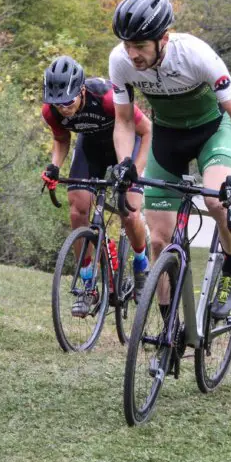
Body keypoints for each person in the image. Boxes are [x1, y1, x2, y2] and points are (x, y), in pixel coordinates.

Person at [109, 0, 231, 322]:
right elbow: (123, 120)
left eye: (141, 46)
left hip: (211, 134)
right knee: (159, 241)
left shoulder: (195, 54)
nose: (132, 54)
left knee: (218, 203)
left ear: (163, 38)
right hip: (168, 140)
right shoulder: (120, 60)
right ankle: (168, 327)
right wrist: (125, 163)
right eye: (127, 45)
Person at [39, 56, 152, 317]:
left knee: (130, 211)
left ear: (81, 90)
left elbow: (147, 131)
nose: (64, 109)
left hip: (127, 145)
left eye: (68, 102)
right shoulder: (52, 110)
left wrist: (135, 169)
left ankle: (141, 262)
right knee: (78, 209)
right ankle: (88, 283)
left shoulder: (107, 98)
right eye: (57, 104)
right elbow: (61, 137)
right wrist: (55, 165)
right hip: (91, 149)